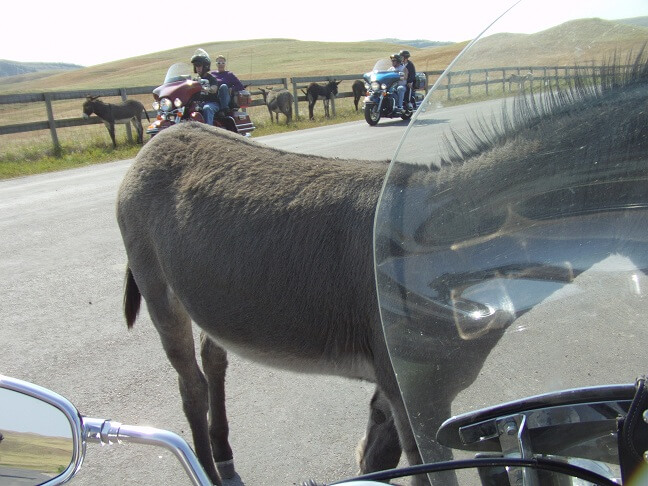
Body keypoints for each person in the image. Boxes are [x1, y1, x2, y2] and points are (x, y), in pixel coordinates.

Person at [190, 48, 223, 126]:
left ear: (205, 66)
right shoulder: (194, 80)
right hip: (199, 103)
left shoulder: (212, 78)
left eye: (199, 65)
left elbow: (214, 89)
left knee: (207, 108)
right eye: (196, 66)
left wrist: (207, 89)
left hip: (212, 103)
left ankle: (209, 131)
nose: (197, 68)